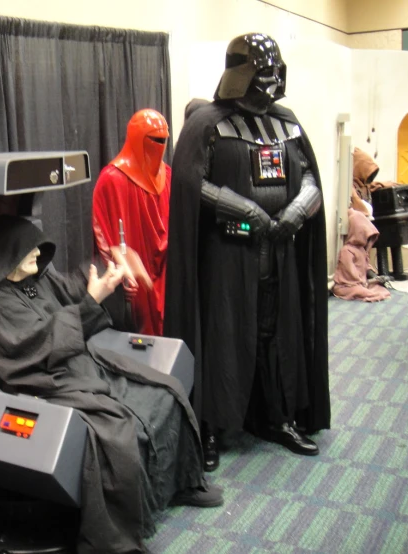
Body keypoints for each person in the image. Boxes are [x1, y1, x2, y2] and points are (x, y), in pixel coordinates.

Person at [0, 215, 222, 554]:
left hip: (81, 363)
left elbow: (71, 290)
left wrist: (103, 278)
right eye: (29, 249)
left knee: (165, 390)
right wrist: (90, 301)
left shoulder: (34, 281)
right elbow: (41, 343)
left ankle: (182, 481)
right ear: (6, 255)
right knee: (116, 432)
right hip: (50, 381)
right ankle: (115, 541)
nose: (37, 254)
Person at [165, 33, 330, 473]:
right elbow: (187, 184)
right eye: (260, 76)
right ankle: (211, 427)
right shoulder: (207, 124)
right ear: (240, 76)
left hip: (279, 252)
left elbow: (310, 175)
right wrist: (241, 207)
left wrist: (299, 208)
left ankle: (278, 416)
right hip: (228, 256)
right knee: (224, 337)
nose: (269, 86)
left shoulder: (288, 122)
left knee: (277, 334)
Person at [92, 109, 170, 335]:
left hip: (166, 280)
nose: (161, 145)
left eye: (164, 140)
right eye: (155, 139)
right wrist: (117, 273)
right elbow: (103, 236)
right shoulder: (111, 180)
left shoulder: (168, 176)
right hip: (131, 287)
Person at [332, 208, 391, 302]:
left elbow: (366, 266)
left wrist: (375, 277)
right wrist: (367, 282)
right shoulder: (347, 251)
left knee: (378, 288)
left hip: (361, 283)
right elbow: (349, 275)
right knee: (364, 291)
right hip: (347, 285)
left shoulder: (361, 250)